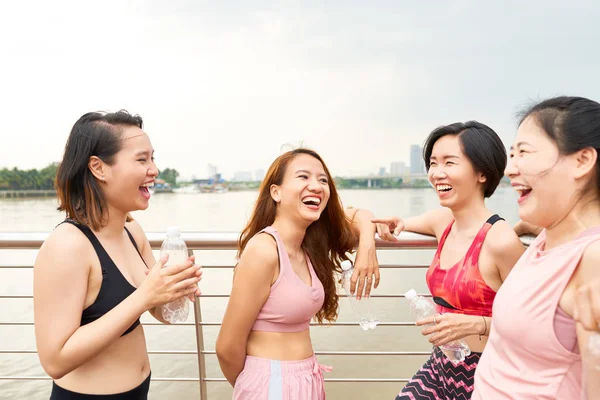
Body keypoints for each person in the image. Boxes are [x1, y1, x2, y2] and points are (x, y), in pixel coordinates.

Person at [33, 111, 202, 399]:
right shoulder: (67, 246)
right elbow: (55, 360)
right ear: (98, 168)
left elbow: (160, 312)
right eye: (142, 159)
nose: (154, 170)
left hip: (140, 389)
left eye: (152, 158)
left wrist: (175, 291)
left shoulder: (133, 232)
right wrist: (145, 296)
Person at [373, 121, 525, 400]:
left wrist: (478, 324)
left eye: (449, 163)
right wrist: (399, 223)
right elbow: (407, 222)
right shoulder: (444, 221)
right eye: (433, 163)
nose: (436, 173)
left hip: (489, 373)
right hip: (441, 367)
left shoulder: (500, 241)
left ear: (482, 172)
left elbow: (534, 322)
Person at [215, 148, 379, 399]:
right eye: (303, 177)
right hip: (272, 385)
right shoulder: (264, 251)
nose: (316, 186)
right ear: (276, 192)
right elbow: (226, 347)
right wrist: (257, 386)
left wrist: (367, 244)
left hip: (306, 379)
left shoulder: (308, 245)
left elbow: (359, 214)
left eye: (323, 180)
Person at [472, 96, 600, 399]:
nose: (510, 169)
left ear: (581, 161)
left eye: (523, 153)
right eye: (512, 155)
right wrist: (520, 228)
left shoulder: (593, 260)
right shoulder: (551, 234)